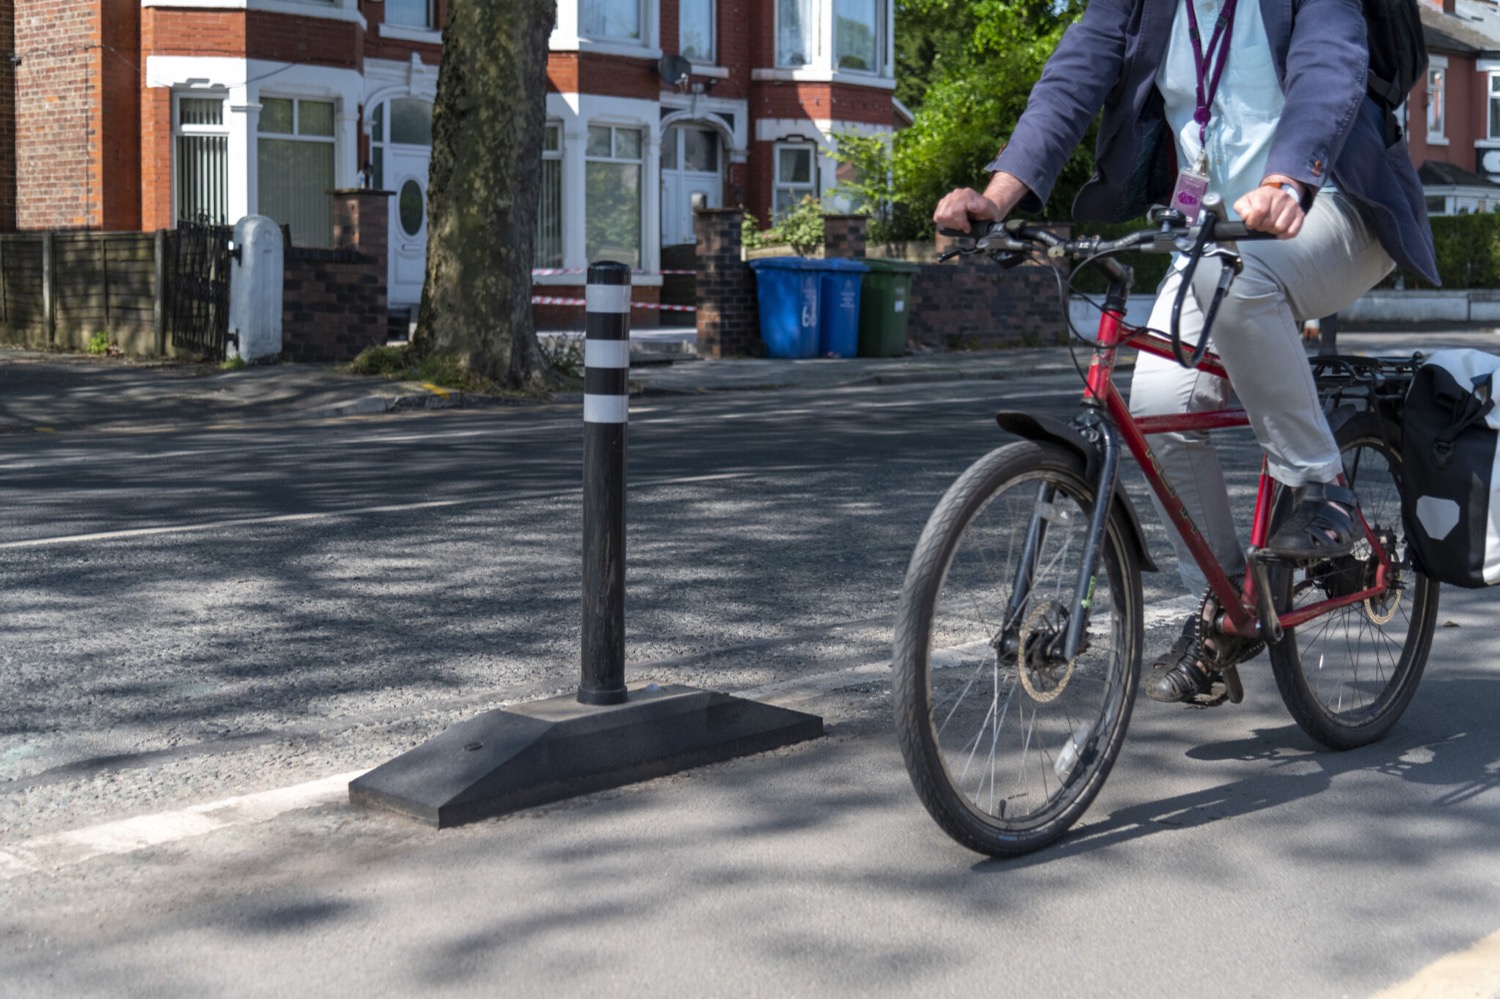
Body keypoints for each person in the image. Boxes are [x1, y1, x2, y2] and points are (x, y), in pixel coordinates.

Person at [933, 0, 1438, 704]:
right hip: (1213, 232)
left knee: (1244, 283)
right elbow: (1073, 76)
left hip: (1332, 207)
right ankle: (1231, 599)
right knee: (1157, 405)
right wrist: (1000, 196)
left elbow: (1331, 60)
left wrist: (1288, 176)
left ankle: (1323, 486)